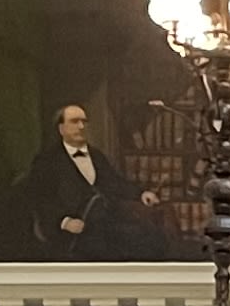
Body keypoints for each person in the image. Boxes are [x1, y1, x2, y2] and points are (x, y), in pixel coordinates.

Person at [18, 100, 148, 259]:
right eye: (74, 122)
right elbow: (41, 199)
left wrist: (141, 194)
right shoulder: (47, 161)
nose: (81, 126)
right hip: (71, 234)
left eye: (84, 122)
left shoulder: (97, 156)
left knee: (147, 239)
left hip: (105, 226)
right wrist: (65, 222)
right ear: (61, 129)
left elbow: (115, 182)